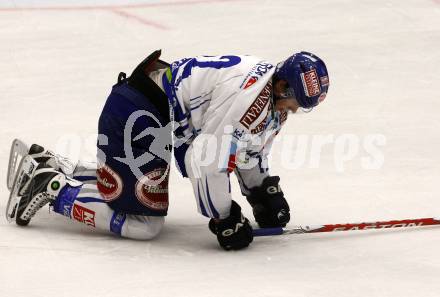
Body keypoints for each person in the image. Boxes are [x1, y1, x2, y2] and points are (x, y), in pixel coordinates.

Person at [8, 50, 329, 250]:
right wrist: (224, 217)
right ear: (283, 86)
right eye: (298, 102)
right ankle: (52, 186)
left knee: (132, 192)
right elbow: (206, 162)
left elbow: (247, 148)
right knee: (143, 224)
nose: (296, 111)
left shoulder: (270, 95)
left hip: (151, 113)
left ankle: (57, 164)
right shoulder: (251, 100)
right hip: (137, 114)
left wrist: (261, 192)